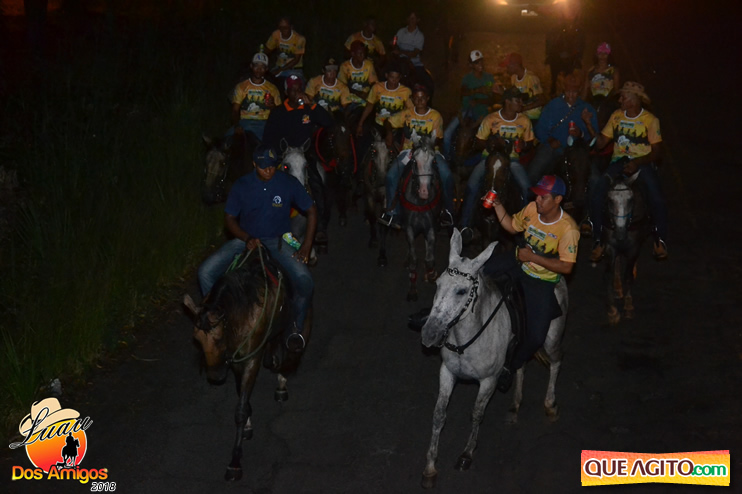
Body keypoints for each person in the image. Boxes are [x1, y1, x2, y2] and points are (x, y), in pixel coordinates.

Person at [197, 146, 318, 352]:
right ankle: (216, 318)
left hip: (277, 241)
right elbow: (229, 218)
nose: (268, 171)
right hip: (245, 239)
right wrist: (246, 237)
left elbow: (312, 211)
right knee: (205, 272)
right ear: (254, 165)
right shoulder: (242, 185)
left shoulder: (288, 183)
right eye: (263, 167)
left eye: (271, 166)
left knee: (305, 280)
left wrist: (306, 245)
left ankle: (296, 327)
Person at [483, 175, 579, 392]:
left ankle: (510, 366)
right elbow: (511, 226)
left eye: (543, 197)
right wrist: (497, 205)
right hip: (519, 261)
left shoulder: (568, 229)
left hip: (541, 280)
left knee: (536, 337)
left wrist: (533, 258)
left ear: (558, 200)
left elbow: (566, 267)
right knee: (479, 270)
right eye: (537, 196)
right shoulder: (531, 210)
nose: (537, 200)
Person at [583, 81, 668, 262]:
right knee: (597, 192)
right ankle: (598, 239)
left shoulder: (650, 120)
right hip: (619, 162)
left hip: (642, 162)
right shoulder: (616, 116)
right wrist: (589, 124)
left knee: (656, 198)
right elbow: (601, 143)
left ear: (635, 100)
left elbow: (657, 152)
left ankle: (660, 239)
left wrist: (638, 162)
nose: (620, 100)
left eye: (624, 97)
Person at [262, 74, 334, 243]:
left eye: (299, 89)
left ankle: (320, 227)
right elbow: (268, 138)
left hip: (305, 154)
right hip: (283, 155)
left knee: (318, 183)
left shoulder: (309, 109)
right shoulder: (279, 112)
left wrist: (313, 104)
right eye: (292, 90)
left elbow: (328, 122)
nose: (296, 93)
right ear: (286, 92)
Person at [459, 87, 534, 237]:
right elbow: (478, 142)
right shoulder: (491, 119)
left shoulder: (524, 120)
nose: (521, 103)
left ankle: (527, 226)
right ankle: (465, 225)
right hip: (490, 159)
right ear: (507, 101)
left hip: (512, 160)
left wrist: (524, 145)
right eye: (517, 100)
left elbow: (530, 143)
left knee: (526, 188)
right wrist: (491, 143)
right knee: (472, 186)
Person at [378, 85, 454, 229]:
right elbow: (388, 121)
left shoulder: (435, 116)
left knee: (447, 175)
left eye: (422, 98)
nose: (419, 101)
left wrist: (425, 144)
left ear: (428, 99)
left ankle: (448, 212)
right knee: (390, 176)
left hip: (431, 153)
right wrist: (388, 132)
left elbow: (438, 138)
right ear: (412, 99)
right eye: (416, 98)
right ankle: (392, 213)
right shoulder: (406, 114)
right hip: (409, 152)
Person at [529, 74, 598, 184]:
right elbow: (540, 128)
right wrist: (550, 139)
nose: (571, 95)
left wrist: (580, 134)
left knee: (594, 179)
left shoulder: (587, 108)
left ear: (579, 90)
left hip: (576, 151)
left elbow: (594, 136)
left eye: (574, 92)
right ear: (563, 90)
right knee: (533, 172)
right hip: (553, 147)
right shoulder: (552, 105)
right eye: (568, 91)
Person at [443, 49, 496, 159]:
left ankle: (487, 160)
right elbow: (463, 92)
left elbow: (491, 98)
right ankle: (447, 159)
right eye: (476, 63)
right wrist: (478, 90)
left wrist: (478, 101)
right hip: (466, 109)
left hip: (482, 111)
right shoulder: (467, 78)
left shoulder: (489, 78)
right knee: (447, 134)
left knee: (491, 136)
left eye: (481, 61)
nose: (480, 64)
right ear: (471, 65)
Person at [227, 52, 281, 142]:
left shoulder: (272, 88)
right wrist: (237, 125)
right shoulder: (241, 86)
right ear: (251, 66)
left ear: (266, 69)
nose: (259, 70)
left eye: (262, 67)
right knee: (226, 142)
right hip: (244, 122)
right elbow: (235, 110)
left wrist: (272, 106)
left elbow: (279, 112)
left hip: (263, 123)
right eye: (256, 66)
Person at [393, 12, 434, 98]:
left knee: (429, 82)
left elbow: (414, 53)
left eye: (414, 18)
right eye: (410, 18)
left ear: (417, 20)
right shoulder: (400, 32)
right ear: (407, 19)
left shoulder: (420, 35)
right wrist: (393, 46)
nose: (411, 20)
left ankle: (427, 102)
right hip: (400, 61)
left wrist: (400, 52)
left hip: (414, 63)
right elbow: (395, 43)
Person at [498, 52, 546, 125]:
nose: (506, 69)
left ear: (515, 65)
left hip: (533, 118)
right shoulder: (513, 78)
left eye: (507, 66)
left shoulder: (531, 78)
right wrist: (503, 92)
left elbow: (542, 100)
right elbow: (515, 96)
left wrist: (523, 108)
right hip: (521, 117)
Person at [581, 42, 620, 128]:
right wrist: (580, 104)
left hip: (608, 105)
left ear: (609, 55)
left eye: (605, 54)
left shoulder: (613, 71)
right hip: (593, 103)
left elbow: (616, 90)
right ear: (596, 55)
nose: (602, 56)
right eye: (600, 53)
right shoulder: (591, 71)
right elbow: (585, 88)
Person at [265, 16, 307, 87]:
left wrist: (280, 70)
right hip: (278, 67)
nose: (282, 30)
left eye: (285, 28)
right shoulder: (276, 34)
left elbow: (296, 60)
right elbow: (267, 50)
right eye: (280, 27)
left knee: (295, 86)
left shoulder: (299, 39)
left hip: (294, 69)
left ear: (291, 27)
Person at [338, 40, 378, 110]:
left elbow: (374, 83)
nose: (363, 55)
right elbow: (342, 85)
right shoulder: (345, 66)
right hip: (351, 97)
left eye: (364, 53)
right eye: (360, 53)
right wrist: (358, 93)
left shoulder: (368, 64)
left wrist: (369, 94)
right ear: (353, 54)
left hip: (365, 96)